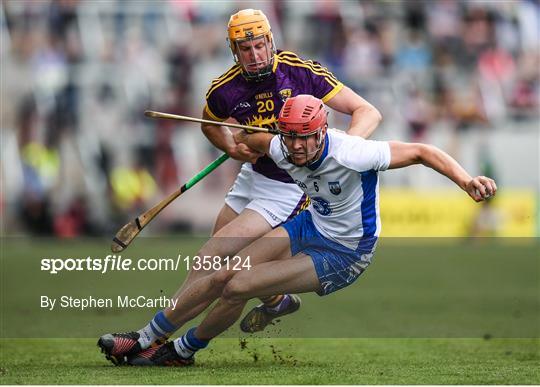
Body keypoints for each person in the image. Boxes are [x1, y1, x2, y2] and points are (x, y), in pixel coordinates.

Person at [123, 94, 497, 366]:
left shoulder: (352, 151)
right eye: (290, 136)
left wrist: (466, 181)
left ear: (322, 132)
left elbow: (422, 151)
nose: (297, 147)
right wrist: (239, 139)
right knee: (224, 271)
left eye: (306, 137)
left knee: (236, 286)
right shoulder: (283, 146)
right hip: (310, 224)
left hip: (345, 252)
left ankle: (182, 351)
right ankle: (145, 338)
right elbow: (254, 140)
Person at [98, 8, 382, 365]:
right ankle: (275, 300)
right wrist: (231, 145)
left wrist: (341, 152)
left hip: (287, 187)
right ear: (235, 51)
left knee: (212, 261)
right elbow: (209, 124)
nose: (255, 55)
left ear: (270, 42)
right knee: (211, 266)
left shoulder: (300, 71)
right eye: (245, 49)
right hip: (253, 177)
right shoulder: (225, 89)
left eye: (260, 45)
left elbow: (367, 111)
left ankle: (148, 338)